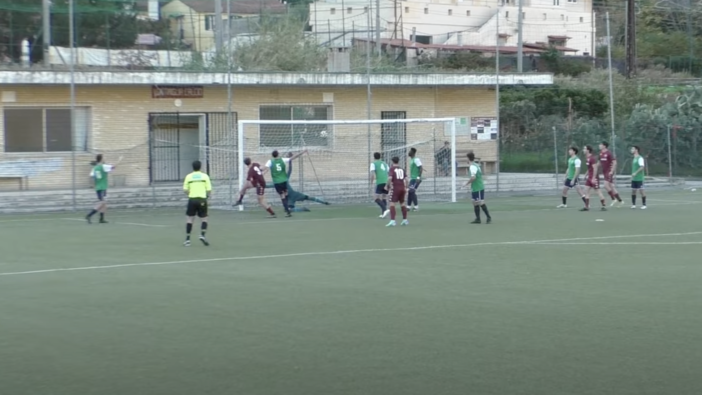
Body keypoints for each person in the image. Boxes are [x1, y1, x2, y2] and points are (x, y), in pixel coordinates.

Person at [265, 149, 307, 217]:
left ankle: (287, 210)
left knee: (282, 196)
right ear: (278, 154)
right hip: (284, 181)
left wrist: (260, 173)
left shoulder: (270, 161)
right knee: (285, 194)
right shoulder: (282, 160)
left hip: (277, 182)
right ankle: (288, 209)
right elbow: (294, 157)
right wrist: (302, 152)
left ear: (272, 155)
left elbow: (265, 169)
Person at [183, 160, 212, 247]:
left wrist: (190, 194)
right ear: (200, 167)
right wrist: (207, 197)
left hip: (192, 199)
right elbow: (209, 190)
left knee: (190, 219)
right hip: (202, 199)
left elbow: (185, 189)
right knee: (204, 219)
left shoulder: (189, 176)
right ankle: (202, 235)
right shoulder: (205, 176)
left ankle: (188, 240)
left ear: (193, 167)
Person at [86, 154, 116, 224]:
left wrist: (92, 185)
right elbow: (113, 167)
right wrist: (120, 160)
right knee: (101, 203)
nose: (104, 159)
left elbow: (91, 176)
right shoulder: (103, 166)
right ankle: (89, 215)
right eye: (103, 158)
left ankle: (101, 219)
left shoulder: (95, 168)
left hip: (99, 187)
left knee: (104, 204)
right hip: (102, 187)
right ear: (101, 159)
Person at [464, 152, 491, 224]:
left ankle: (488, 217)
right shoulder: (476, 165)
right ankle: (478, 219)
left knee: (480, 202)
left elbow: (473, 177)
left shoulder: (472, 166)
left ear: (468, 158)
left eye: (466, 158)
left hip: (478, 187)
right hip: (476, 187)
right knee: (474, 202)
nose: (466, 159)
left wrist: (466, 183)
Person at [581, 145, 607, 212]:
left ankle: (603, 206)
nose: (583, 150)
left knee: (597, 191)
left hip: (594, 177)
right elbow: (590, 168)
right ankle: (586, 207)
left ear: (588, 150)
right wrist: (585, 175)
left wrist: (593, 178)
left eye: (584, 148)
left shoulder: (592, 158)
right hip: (589, 177)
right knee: (585, 190)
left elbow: (595, 168)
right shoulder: (587, 158)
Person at [385, 156, 409, 227]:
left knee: (392, 203)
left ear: (392, 162)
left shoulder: (392, 169)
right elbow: (407, 179)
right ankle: (405, 220)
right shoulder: (402, 169)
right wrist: (406, 187)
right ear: (398, 161)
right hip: (402, 188)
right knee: (402, 203)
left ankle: (392, 221)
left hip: (395, 188)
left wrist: (387, 185)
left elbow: (390, 178)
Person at [599, 141, 623, 207]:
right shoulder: (601, 153)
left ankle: (613, 198)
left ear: (604, 146)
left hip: (609, 172)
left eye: (600, 144)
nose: (599, 146)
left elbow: (614, 162)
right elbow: (600, 163)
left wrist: (612, 171)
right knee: (612, 186)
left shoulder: (609, 153)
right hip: (604, 172)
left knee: (606, 185)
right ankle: (620, 201)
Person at [369, 152, 390, 218]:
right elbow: (388, 172)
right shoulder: (385, 163)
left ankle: (385, 209)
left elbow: (372, 174)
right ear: (380, 157)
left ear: (374, 157)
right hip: (386, 182)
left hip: (380, 182)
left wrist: (371, 183)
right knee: (384, 197)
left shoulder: (373, 163)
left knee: (376, 198)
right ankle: (384, 213)